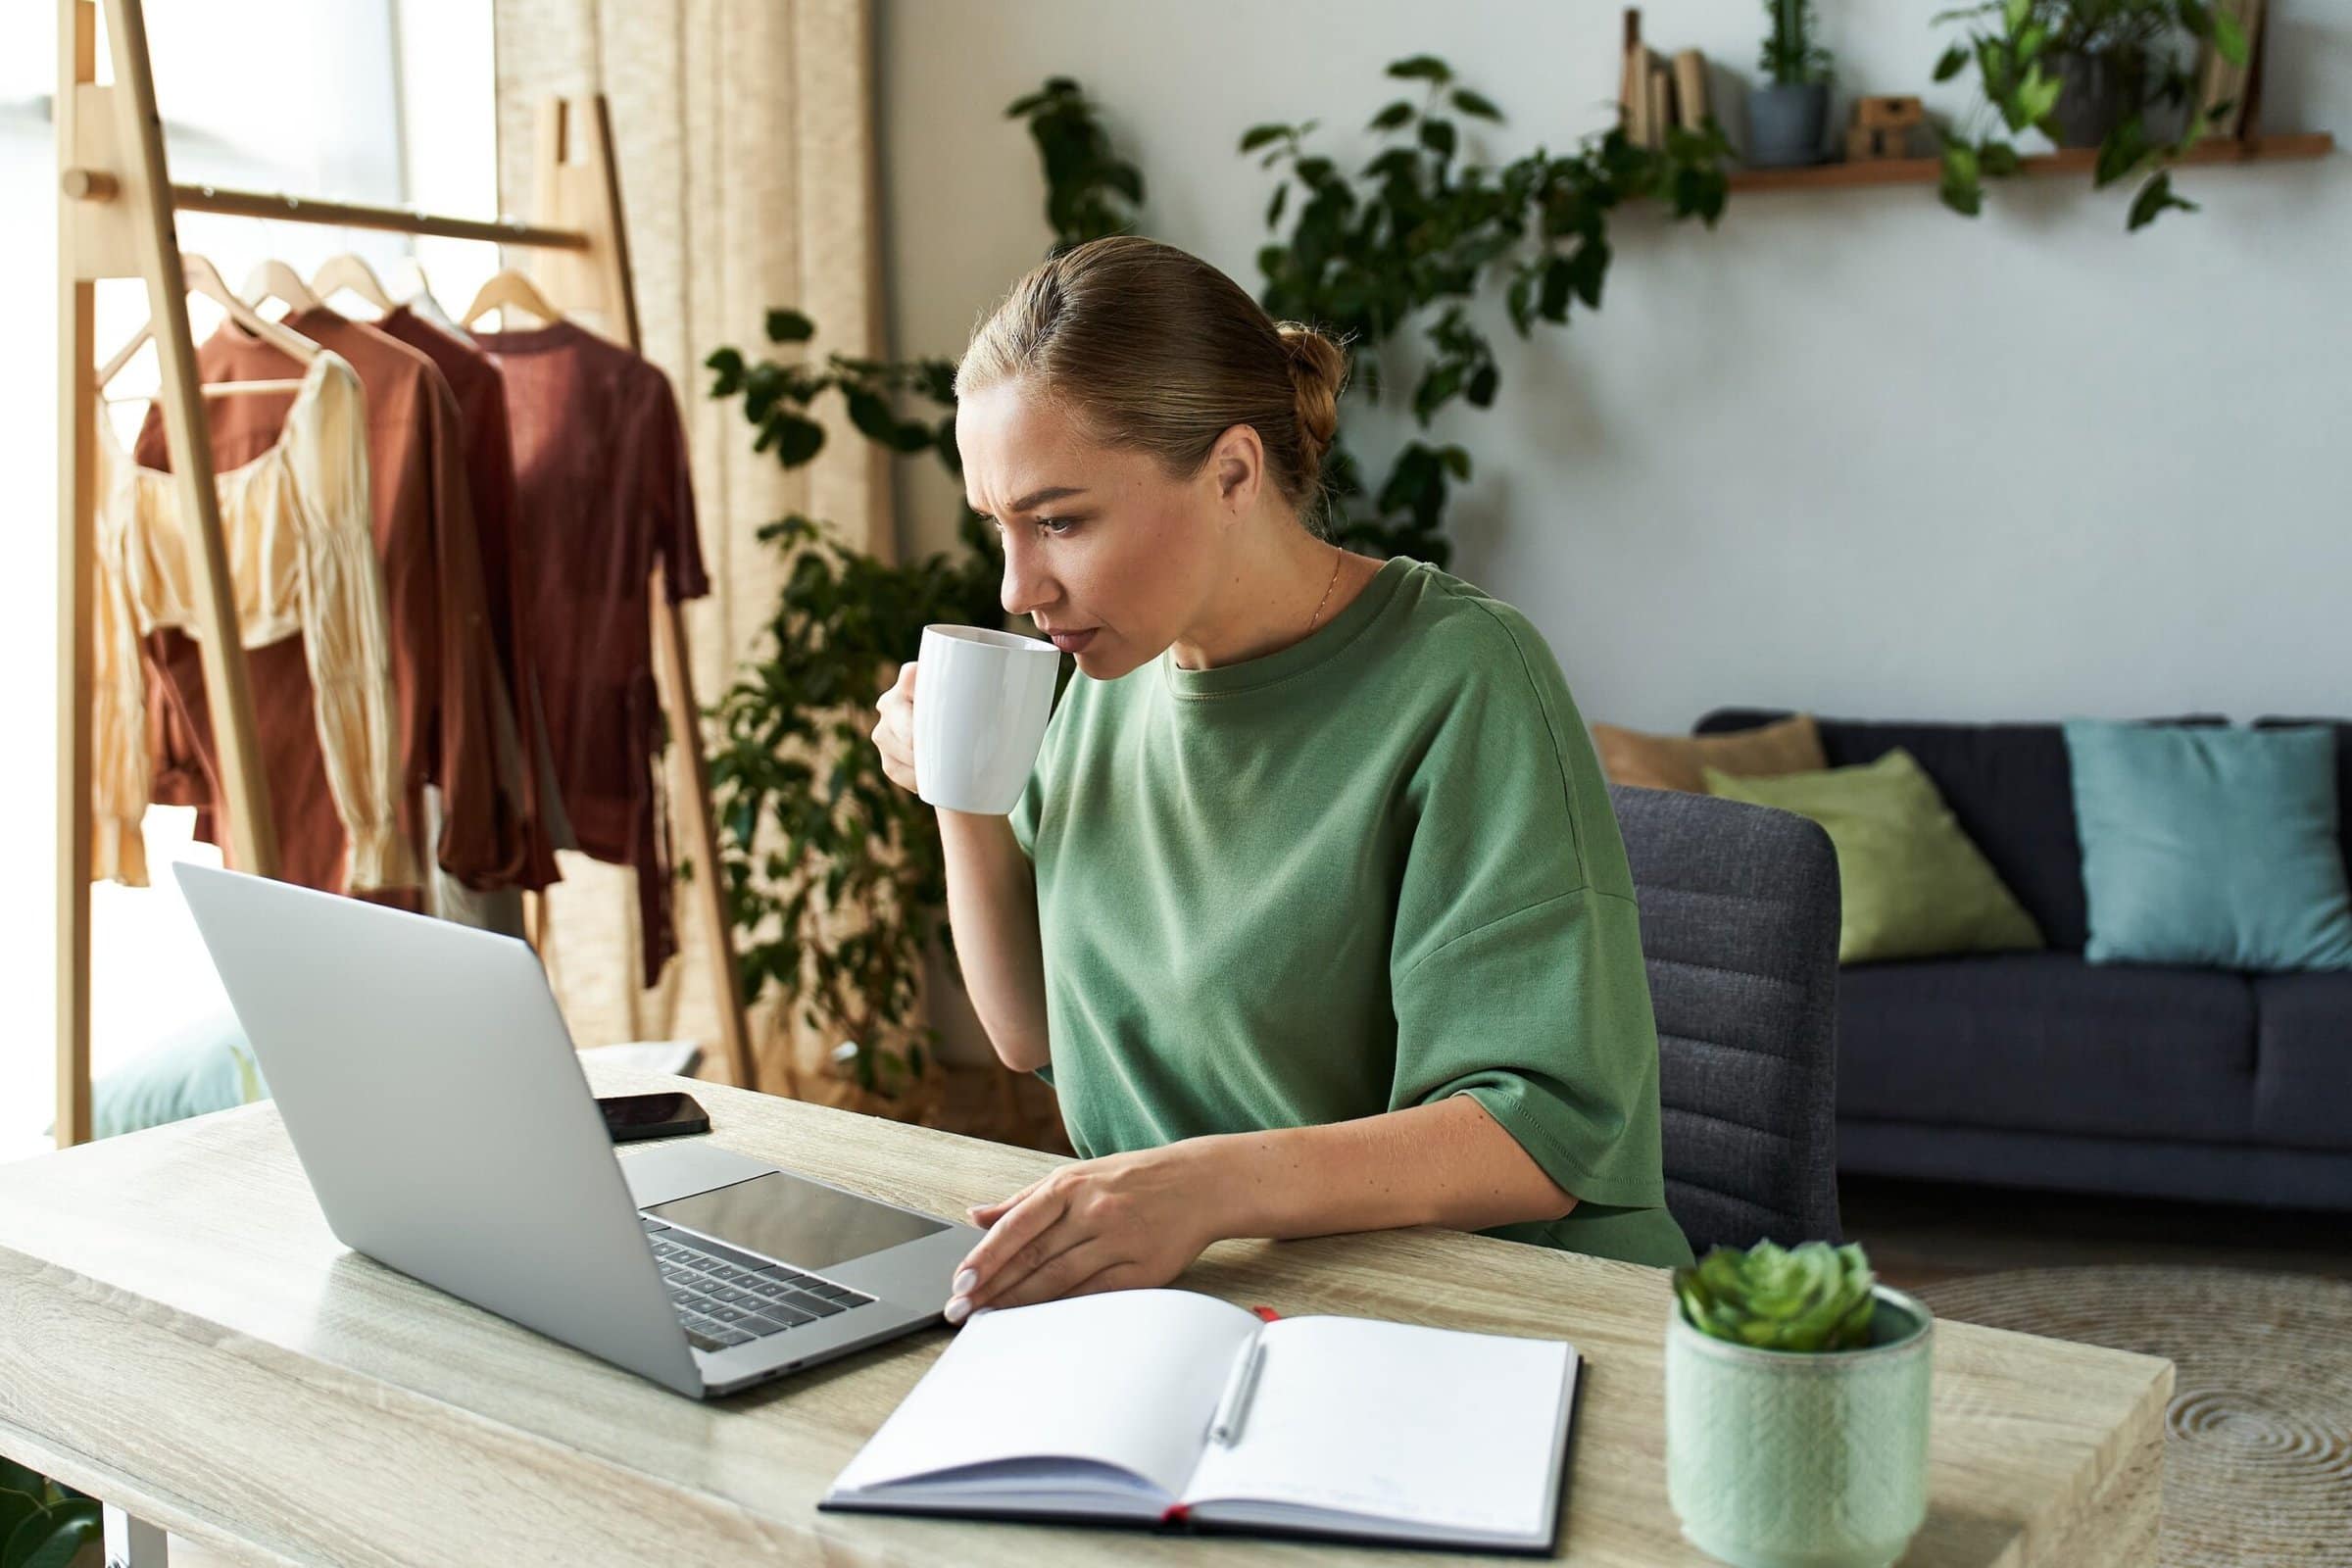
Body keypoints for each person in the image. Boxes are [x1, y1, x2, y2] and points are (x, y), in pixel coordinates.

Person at [871, 235, 1694, 1328]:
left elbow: (1537, 1132)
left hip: (1503, 1319)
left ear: (1233, 473)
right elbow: (1034, 1039)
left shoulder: (1464, 679)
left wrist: (1203, 1187)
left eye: (1060, 519)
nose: (1020, 586)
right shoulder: (1109, 669)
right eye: (1000, 528)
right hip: (1219, 1302)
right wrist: (959, 794)